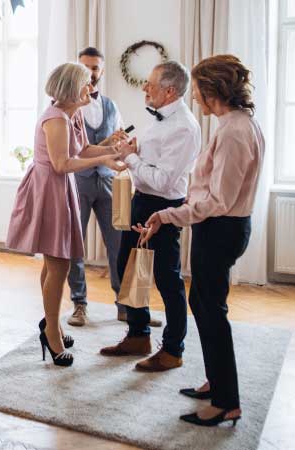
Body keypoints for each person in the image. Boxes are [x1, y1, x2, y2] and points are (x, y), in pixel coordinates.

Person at [135, 55, 264, 427]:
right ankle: (217, 382)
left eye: (199, 91)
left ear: (213, 92)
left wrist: (167, 215)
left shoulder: (235, 131)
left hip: (222, 228)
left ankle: (226, 402)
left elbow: (217, 201)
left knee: (210, 310)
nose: (194, 99)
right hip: (224, 227)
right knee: (206, 304)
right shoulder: (237, 124)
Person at [6, 63, 128, 367]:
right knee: (59, 264)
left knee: (54, 263)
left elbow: (84, 150)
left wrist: (109, 155)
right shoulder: (56, 119)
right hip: (49, 189)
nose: (91, 88)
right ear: (73, 88)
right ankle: (52, 334)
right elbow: (62, 164)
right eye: (86, 84)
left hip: (60, 188)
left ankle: (52, 325)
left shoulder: (73, 115)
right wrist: (105, 157)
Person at [99, 61, 202, 373]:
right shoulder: (159, 119)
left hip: (164, 207)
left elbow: (163, 181)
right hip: (140, 201)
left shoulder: (184, 127)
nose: (145, 88)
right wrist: (133, 150)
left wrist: (131, 157)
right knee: (130, 269)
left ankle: (173, 349)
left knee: (167, 280)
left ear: (169, 91)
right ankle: (138, 334)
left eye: (151, 84)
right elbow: (152, 163)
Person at [66, 47, 161, 328]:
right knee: (75, 246)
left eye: (95, 67)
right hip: (78, 182)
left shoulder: (111, 106)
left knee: (120, 244)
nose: (90, 72)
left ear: (102, 70)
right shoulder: (69, 106)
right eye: (85, 67)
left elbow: (118, 148)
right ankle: (79, 303)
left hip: (109, 182)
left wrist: (120, 145)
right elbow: (73, 151)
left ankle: (125, 305)